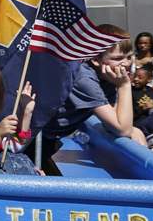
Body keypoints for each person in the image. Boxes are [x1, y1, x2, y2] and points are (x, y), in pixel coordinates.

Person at [32, 26, 146, 169]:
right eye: (117, 58)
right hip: (34, 140)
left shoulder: (108, 77)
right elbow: (122, 129)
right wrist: (124, 86)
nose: (126, 63)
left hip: (47, 139)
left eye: (129, 57)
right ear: (96, 60)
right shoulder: (83, 78)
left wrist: (133, 129)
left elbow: (116, 120)